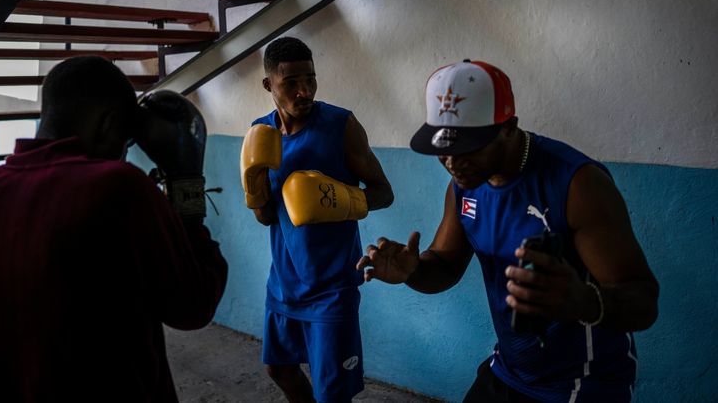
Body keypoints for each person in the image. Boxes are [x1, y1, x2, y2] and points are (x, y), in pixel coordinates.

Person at [357, 59, 659, 403]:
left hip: (582, 382)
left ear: (509, 127)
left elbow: (644, 301)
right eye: (444, 149)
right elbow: (444, 264)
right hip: (510, 369)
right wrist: (412, 271)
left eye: (468, 147)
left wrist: (584, 302)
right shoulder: (464, 186)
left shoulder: (577, 184)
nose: (453, 163)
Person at [0, 56, 228, 402]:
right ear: (109, 123)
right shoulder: (118, 189)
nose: (122, 153)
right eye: (125, 141)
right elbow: (194, 305)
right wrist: (186, 182)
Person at [240, 37, 394, 403]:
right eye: (291, 82)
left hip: (332, 289)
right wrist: (255, 189)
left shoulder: (341, 125)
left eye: (310, 78)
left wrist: (340, 199)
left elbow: (384, 192)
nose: (304, 91)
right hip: (283, 284)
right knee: (279, 369)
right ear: (268, 85)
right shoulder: (261, 134)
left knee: (333, 394)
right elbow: (266, 217)